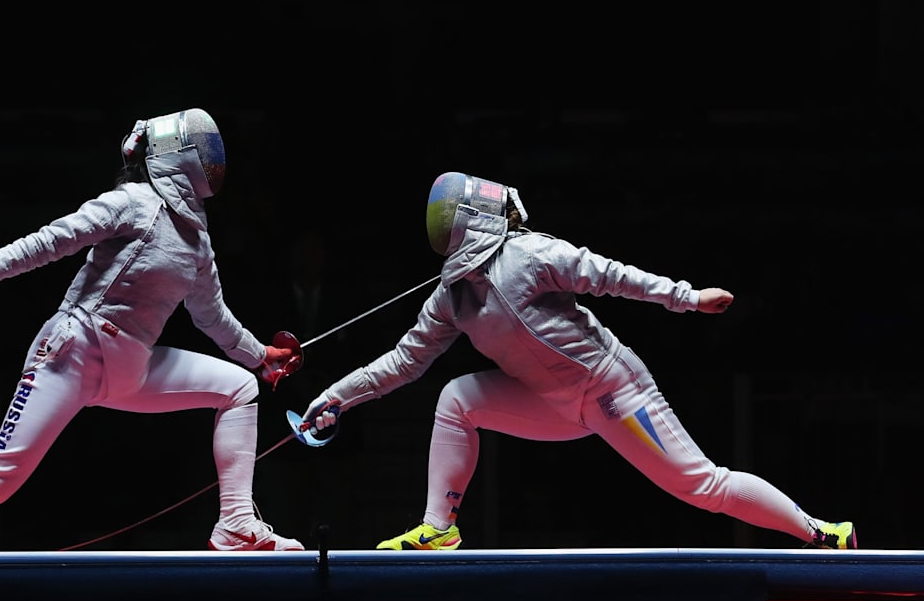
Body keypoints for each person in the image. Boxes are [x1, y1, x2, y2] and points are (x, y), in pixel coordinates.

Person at [0, 107, 304, 552]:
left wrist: (259, 356)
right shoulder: (132, 202)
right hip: (71, 352)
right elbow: (52, 240)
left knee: (240, 388)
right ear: (174, 154)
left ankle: (236, 524)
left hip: (131, 368)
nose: (214, 160)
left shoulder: (196, 238)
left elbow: (212, 315)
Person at [299, 171, 856, 551]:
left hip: (615, 393)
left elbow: (612, 276)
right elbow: (403, 361)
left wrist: (688, 297)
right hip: (552, 405)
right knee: (457, 400)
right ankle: (437, 527)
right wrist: (338, 396)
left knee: (703, 486)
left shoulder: (532, 253)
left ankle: (823, 533)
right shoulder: (451, 299)